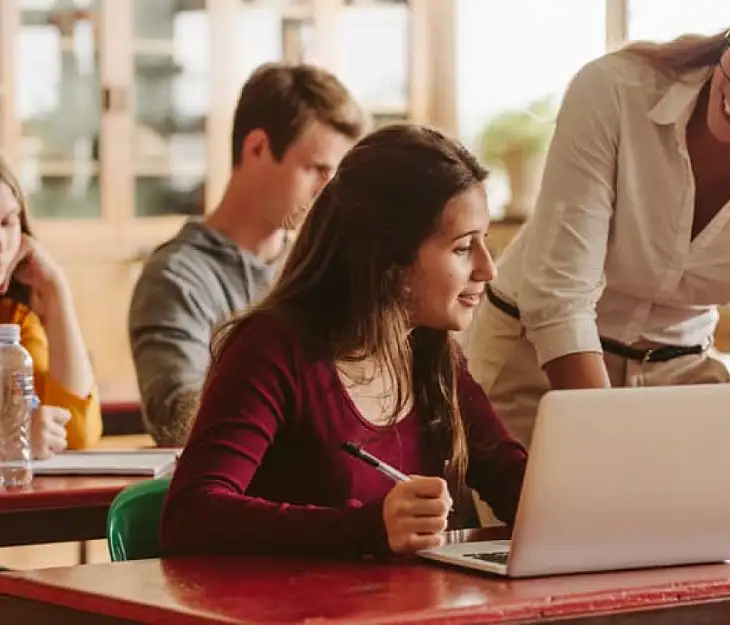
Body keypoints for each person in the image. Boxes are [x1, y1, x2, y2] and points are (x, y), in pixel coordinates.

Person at [462, 0, 730, 529]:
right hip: (536, 360)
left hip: (676, 378)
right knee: (538, 554)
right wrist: (603, 446)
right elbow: (560, 299)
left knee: (687, 567)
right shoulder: (616, 90)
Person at [160, 124, 527, 558]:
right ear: (390, 260)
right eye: (464, 248)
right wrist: (365, 528)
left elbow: (515, 485)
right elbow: (189, 516)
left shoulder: (433, 354)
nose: (488, 269)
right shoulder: (271, 349)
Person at [129, 62, 364, 447]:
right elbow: (176, 419)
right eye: (315, 169)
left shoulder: (325, 269)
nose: (329, 191)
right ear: (256, 148)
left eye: (335, 175)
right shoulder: (176, 278)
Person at [0, 157, 100, 458]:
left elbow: (74, 433)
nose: (1, 241)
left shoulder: (13, 322)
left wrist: (57, 291)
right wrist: (8, 438)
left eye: (7, 222)